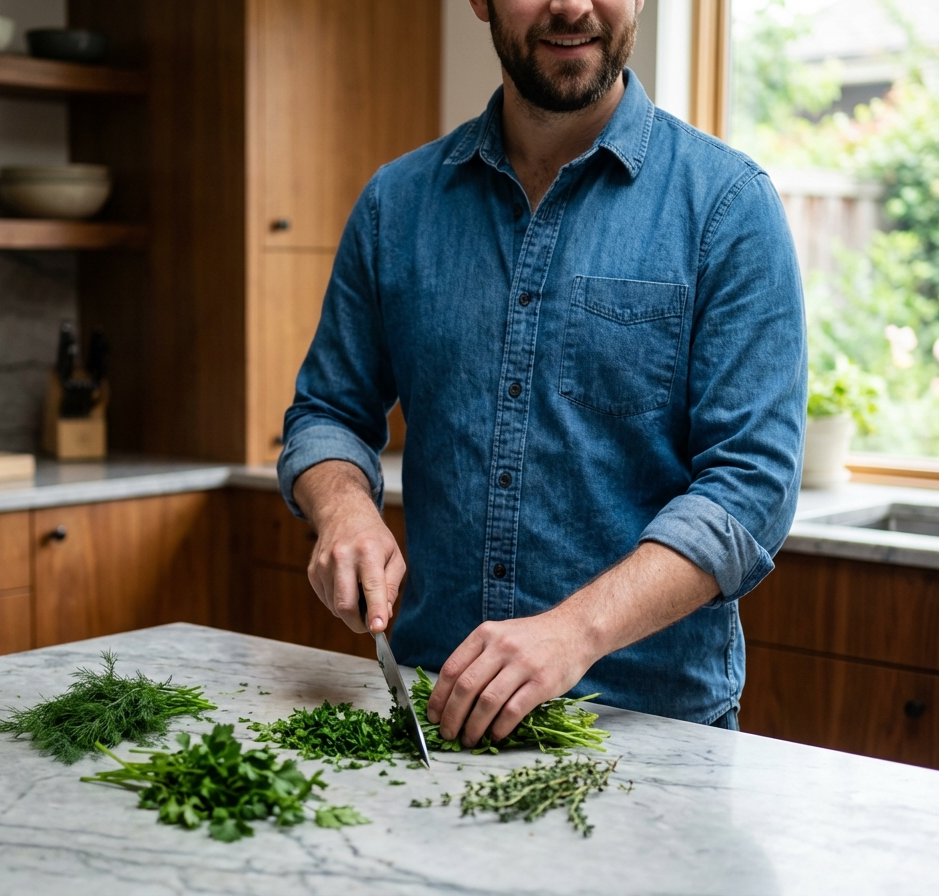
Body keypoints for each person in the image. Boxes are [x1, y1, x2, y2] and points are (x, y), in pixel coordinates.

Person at [276, 0, 805, 745]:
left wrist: (574, 633)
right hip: (434, 717)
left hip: (648, 726)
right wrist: (343, 509)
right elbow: (326, 412)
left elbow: (751, 488)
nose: (570, 5)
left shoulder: (727, 207)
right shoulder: (396, 206)